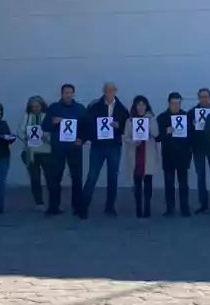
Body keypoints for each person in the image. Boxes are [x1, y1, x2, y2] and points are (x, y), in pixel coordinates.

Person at [83, 82, 129, 217]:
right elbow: (87, 124)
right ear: (103, 91)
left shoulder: (121, 108)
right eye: (107, 90)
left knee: (112, 177)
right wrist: (92, 137)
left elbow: (127, 127)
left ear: (116, 91)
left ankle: (110, 206)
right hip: (98, 146)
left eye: (112, 90)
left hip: (114, 146)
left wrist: (118, 126)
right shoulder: (94, 106)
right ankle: (83, 206)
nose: (110, 92)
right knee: (92, 176)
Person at [42, 84, 88, 217]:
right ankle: (54, 206)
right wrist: (53, 123)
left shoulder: (80, 109)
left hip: (74, 148)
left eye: (70, 93)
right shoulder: (54, 108)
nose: (68, 95)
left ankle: (78, 206)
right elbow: (44, 126)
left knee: (77, 177)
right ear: (61, 94)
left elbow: (87, 127)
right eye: (66, 93)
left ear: (73, 94)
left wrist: (82, 139)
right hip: (58, 147)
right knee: (55, 177)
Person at [156, 92, 193, 217]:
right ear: (169, 103)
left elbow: (192, 136)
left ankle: (185, 208)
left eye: (178, 103)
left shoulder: (186, 116)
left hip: (183, 155)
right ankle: (170, 208)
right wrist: (165, 131)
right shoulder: (162, 117)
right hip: (168, 156)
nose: (176, 106)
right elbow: (157, 138)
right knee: (169, 183)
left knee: (183, 184)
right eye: (173, 103)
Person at [123, 95, 159, 218]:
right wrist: (134, 141)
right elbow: (126, 137)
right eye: (139, 104)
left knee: (148, 183)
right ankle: (138, 208)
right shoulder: (129, 121)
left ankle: (147, 207)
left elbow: (156, 133)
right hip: (136, 154)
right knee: (137, 183)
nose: (141, 107)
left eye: (143, 104)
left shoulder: (152, 119)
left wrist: (148, 124)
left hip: (147, 154)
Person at [189, 88, 210, 214]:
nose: (204, 99)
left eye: (206, 97)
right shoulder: (192, 112)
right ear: (198, 98)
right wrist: (192, 125)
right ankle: (203, 203)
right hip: (198, 147)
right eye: (201, 97)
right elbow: (186, 131)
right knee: (201, 176)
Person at [20, 96, 50, 210]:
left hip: (45, 150)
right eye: (32, 107)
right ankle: (39, 202)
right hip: (31, 151)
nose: (35, 108)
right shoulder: (27, 117)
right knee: (34, 177)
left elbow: (52, 131)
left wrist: (47, 138)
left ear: (41, 106)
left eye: (37, 106)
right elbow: (20, 131)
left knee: (50, 176)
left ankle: (53, 201)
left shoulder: (46, 117)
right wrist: (25, 137)